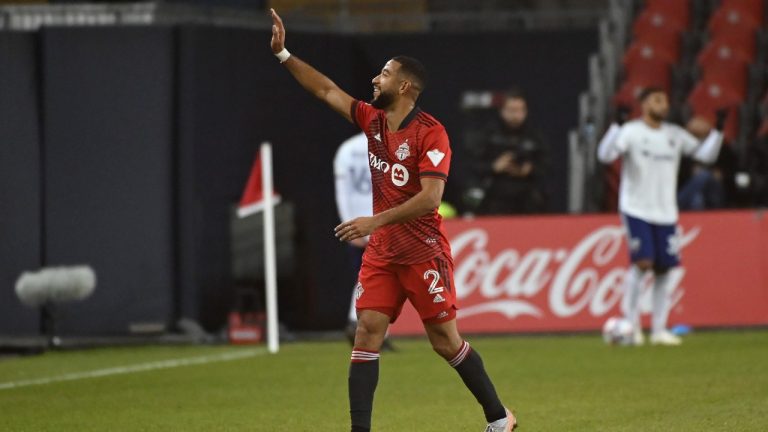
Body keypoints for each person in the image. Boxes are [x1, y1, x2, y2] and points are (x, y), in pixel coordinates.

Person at [270, 9, 516, 432]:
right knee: (367, 331)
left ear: (404, 86)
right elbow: (327, 91)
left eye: (383, 74)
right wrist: (284, 54)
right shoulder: (373, 120)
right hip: (385, 251)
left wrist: (373, 221)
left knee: (445, 342)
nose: (374, 79)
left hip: (423, 252)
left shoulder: (431, 133)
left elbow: (431, 198)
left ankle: (499, 418)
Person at [597, 87, 723, 346]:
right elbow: (605, 155)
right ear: (643, 105)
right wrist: (615, 127)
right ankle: (631, 325)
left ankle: (658, 330)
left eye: (664, 99)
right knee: (642, 263)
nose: (662, 104)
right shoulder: (631, 131)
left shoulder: (674, 135)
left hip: (666, 211)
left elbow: (706, 155)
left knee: (664, 270)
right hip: (636, 209)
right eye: (656, 99)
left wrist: (718, 130)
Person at [333, 132, 396, 352]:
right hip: (380, 221)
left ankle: (374, 330)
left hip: (365, 221)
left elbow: (342, 192)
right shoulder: (392, 145)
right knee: (377, 277)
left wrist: (348, 223)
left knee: (372, 277)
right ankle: (358, 323)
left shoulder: (347, 148)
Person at [464, 88, 548, 215]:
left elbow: (547, 165)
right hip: (494, 196)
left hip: (526, 197)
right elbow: (471, 165)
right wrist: (494, 166)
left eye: (521, 110)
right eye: (512, 110)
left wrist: (528, 169)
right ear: (502, 111)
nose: (516, 115)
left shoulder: (534, 136)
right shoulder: (488, 135)